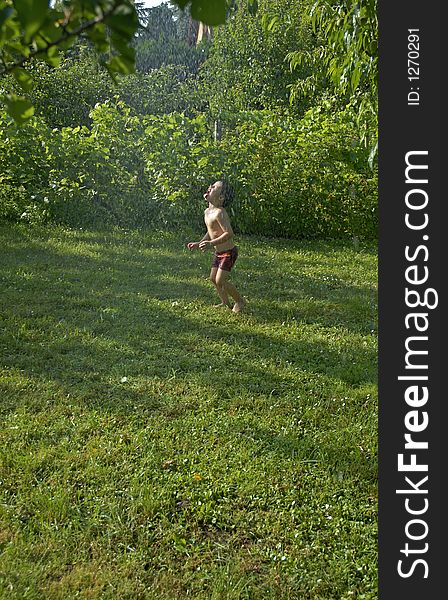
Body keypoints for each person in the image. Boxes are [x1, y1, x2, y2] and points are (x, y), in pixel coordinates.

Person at [187, 180, 245, 313]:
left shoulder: (220, 213)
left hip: (228, 252)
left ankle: (240, 301)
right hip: (219, 253)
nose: (209, 187)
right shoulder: (207, 212)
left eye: (214, 187)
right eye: (210, 185)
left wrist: (211, 243)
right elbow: (210, 230)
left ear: (221, 197)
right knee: (213, 279)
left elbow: (229, 233)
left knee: (220, 280)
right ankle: (225, 302)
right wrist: (200, 242)